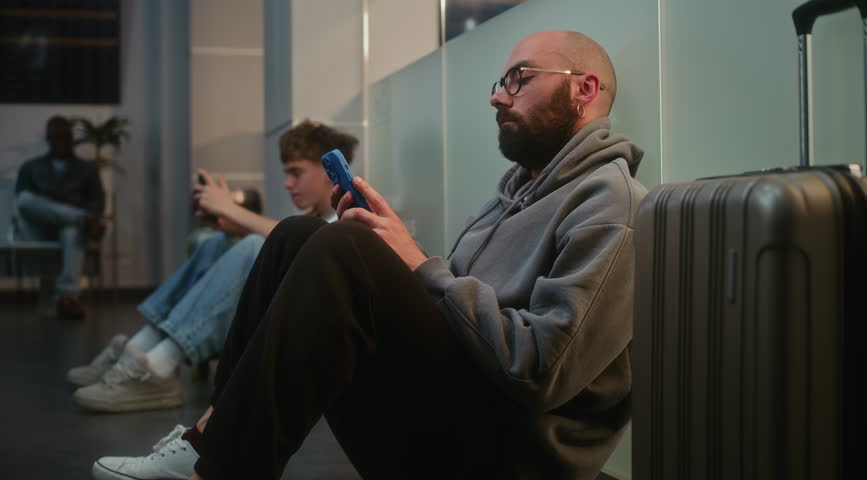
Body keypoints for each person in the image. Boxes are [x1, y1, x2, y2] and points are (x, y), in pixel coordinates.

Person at [92, 30, 646, 480]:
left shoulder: (610, 203)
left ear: (584, 88)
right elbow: (454, 308)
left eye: (520, 79)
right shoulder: (512, 193)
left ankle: (219, 472)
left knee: (345, 243)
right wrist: (399, 247)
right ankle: (208, 444)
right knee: (295, 236)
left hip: (516, 452)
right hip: (467, 417)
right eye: (501, 81)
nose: (498, 95)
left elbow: (542, 371)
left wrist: (414, 262)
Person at [69, 120, 359, 414]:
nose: (287, 183)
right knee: (214, 241)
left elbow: (311, 243)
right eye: (286, 173)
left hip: (311, 326)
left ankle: (158, 368)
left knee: (252, 247)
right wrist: (231, 223)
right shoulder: (314, 215)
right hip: (282, 307)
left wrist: (233, 211)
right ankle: (138, 350)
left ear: (328, 172)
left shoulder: (350, 217)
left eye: (296, 172)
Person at [15, 115, 106, 320]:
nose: (61, 142)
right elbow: (24, 202)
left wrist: (76, 204)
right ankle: (80, 218)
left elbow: (98, 204)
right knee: (25, 200)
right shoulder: (31, 167)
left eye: (65, 137)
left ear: (71, 139)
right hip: (38, 229)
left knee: (71, 229)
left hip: (69, 232)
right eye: (56, 138)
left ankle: (67, 297)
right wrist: (53, 203)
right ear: (48, 139)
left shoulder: (88, 170)